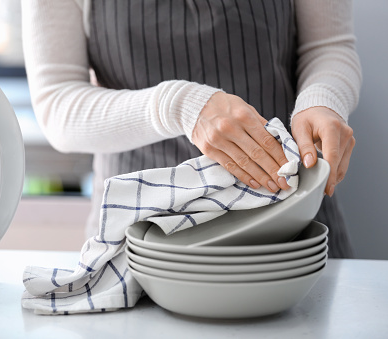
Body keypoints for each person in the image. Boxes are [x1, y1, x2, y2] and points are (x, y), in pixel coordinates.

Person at [21, 0, 361, 258]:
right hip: (142, 240)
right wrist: (179, 105)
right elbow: (57, 104)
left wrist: (323, 100)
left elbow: (328, 45)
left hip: (294, 226)